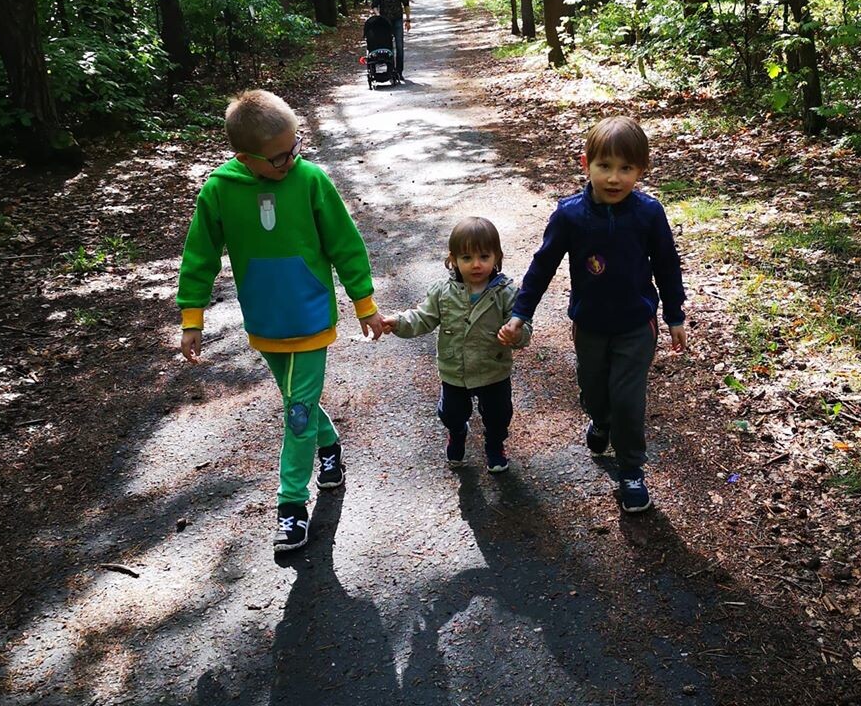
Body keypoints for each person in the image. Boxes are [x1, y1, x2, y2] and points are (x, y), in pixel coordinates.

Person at [177, 90, 384, 553]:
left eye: (295, 148)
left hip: (309, 313)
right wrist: (193, 316)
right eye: (277, 158)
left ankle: (291, 507)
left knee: (296, 412)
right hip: (265, 321)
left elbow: (344, 243)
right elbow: (200, 254)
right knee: (299, 402)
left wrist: (363, 301)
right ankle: (328, 448)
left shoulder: (310, 179)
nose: (290, 160)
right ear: (243, 158)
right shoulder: (219, 191)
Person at [499, 117, 687, 512]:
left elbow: (668, 265)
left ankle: (631, 470)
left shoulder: (649, 214)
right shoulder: (571, 215)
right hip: (589, 325)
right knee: (595, 389)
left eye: (626, 168)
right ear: (586, 164)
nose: (615, 178)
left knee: (628, 399)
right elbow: (542, 266)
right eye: (605, 166)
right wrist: (521, 313)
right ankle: (598, 419)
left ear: (641, 170)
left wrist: (674, 316)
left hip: (637, 324)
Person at [381, 217, 531, 473]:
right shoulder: (443, 291)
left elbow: (522, 326)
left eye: (484, 256)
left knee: (498, 415)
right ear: (453, 260)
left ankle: (495, 445)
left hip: (493, 369)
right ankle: (457, 431)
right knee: (451, 413)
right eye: (466, 258)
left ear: (497, 257)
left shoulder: (506, 293)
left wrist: (515, 334)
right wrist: (398, 322)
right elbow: (422, 317)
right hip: (455, 370)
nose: (475, 264)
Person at [370, 0, 411, 80]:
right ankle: (391, 70)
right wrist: (378, 16)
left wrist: (408, 20)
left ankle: (399, 72)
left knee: (399, 46)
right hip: (384, 22)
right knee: (387, 47)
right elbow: (374, 5)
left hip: (397, 19)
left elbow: (406, 4)